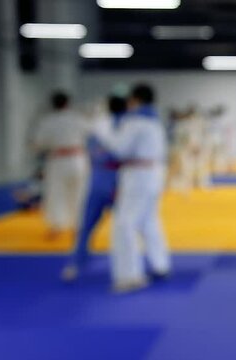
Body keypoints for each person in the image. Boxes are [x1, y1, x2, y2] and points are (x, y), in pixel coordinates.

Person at [94, 84, 171, 293]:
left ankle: (129, 275)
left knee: (124, 224)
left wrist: (102, 128)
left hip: (137, 174)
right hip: (154, 173)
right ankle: (160, 263)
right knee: (148, 220)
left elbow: (120, 149)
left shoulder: (134, 121)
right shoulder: (154, 121)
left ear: (135, 100)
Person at [60, 96, 126, 283]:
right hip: (117, 181)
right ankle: (127, 267)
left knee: (87, 225)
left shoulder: (96, 128)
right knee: (124, 227)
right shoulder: (127, 127)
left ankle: (76, 263)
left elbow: (91, 150)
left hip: (97, 179)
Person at [33, 92, 90, 240]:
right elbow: (90, 134)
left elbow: (40, 143)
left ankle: (57, 226)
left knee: (56, 194)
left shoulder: (47, 121)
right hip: (78, 158)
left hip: (58, 160)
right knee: (79, 192)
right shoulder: (78, 119)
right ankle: (79, 226)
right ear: (68, 103)